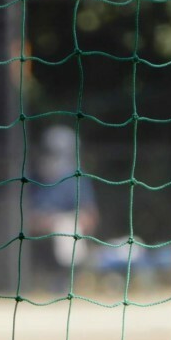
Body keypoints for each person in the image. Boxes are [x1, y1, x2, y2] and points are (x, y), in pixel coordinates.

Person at [27, 124, 98, 291]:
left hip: (68, 233)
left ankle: (68, 280)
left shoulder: (77, 177)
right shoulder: (32, 178)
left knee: (66, 227)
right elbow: (24, 215)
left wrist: (66, 222)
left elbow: (91, 216)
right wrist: (45, 222)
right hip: (37, 232)